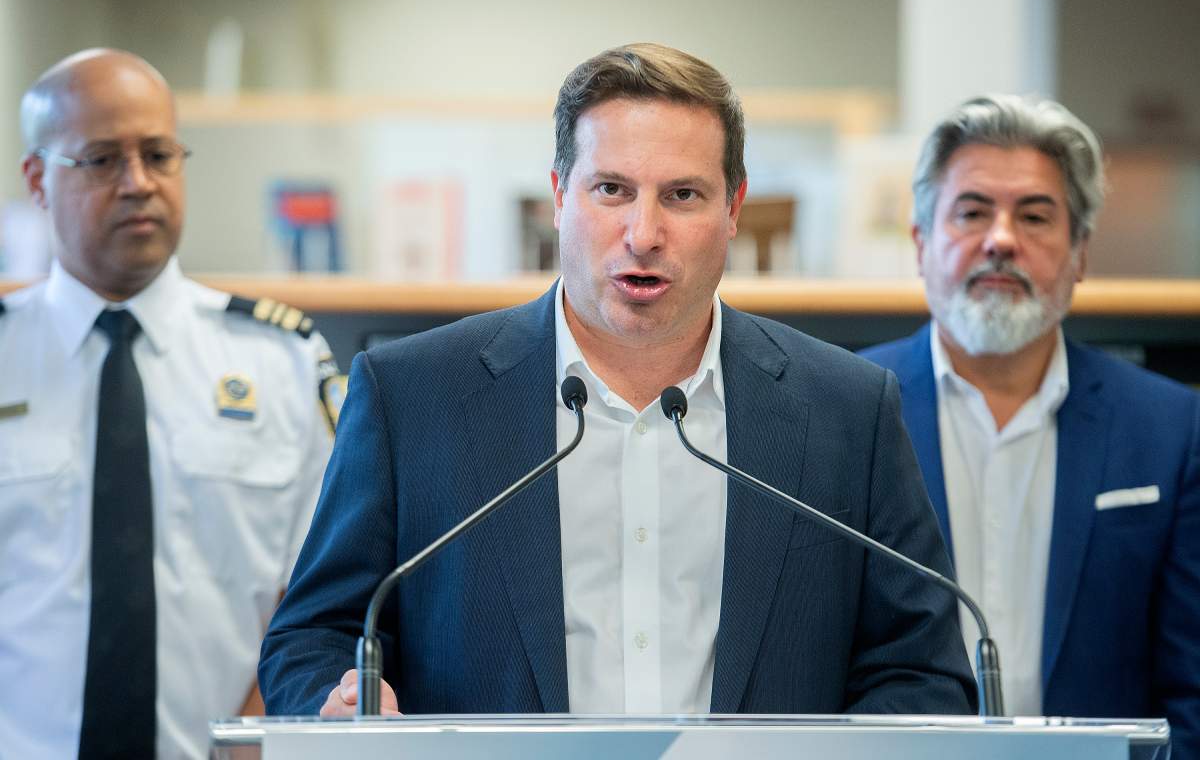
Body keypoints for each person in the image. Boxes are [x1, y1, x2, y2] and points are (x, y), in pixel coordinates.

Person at [259, 43, 974, 718]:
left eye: (684, 195)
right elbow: (313, 637)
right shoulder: (410, 396)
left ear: (733, 209)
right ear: (559, 196)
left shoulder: (848, 409)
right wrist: (341, 699)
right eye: (612, 189)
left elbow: (920, 671)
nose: (643, 233)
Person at [0, 49, 341, 759]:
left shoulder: (281, 361)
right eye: (100, 160)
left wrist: (254, 738)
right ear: (36, 179)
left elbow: (320, 596)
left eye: (158, 154)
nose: (138, 183)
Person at [861, 95, 1199, 755]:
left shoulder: (1172, 430)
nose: (1002, 239)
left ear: (1080, 254)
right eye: (973, 211)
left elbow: (1191, 690)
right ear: (921, 243)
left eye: (1036, 215)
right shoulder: (843, 409)